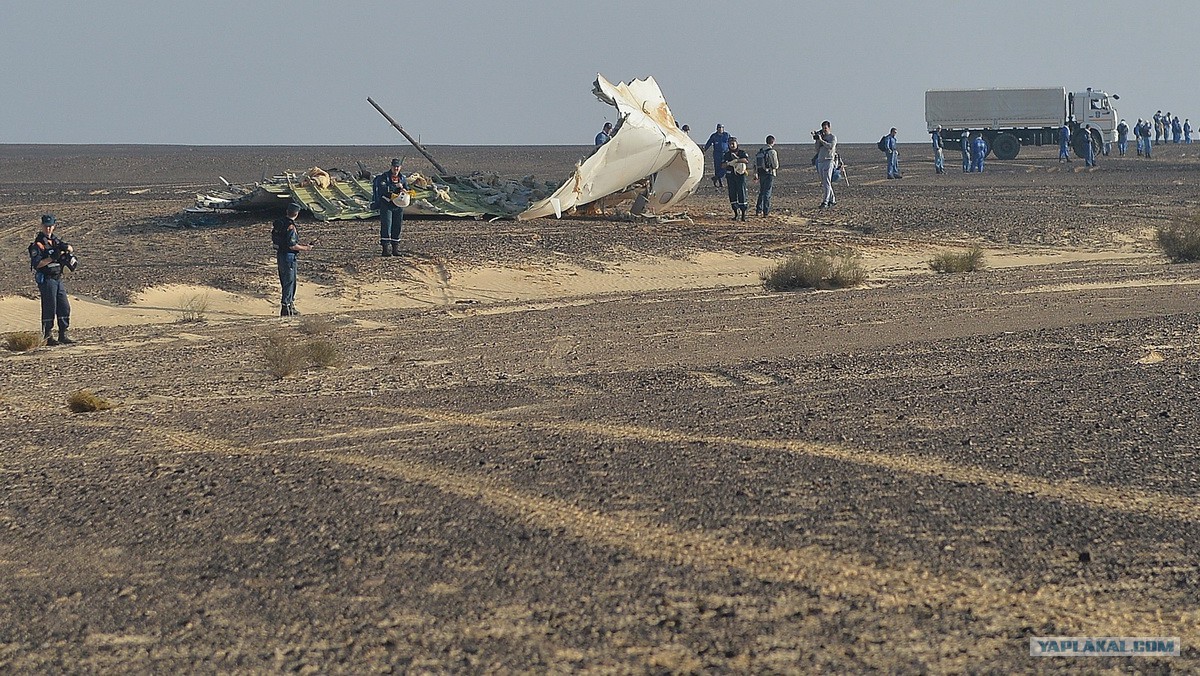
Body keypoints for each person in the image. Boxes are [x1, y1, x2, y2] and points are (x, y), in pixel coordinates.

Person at [28, 214, 75, 345]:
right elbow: (37, 264)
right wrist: (52, 258)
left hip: (57, 278)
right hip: (47, 279)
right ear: (42, 226)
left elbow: (70, 248)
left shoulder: (55, 241)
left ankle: (63, 334)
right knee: (50, 307)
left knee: (64, 306)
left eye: (50, 226)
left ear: (54, 226)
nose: (48, 229)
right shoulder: (38, 244)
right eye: (46, 226)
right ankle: (48, 336)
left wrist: (67, 249)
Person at [272, 203, 314, 317]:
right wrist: (306, 248)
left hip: (280, 254)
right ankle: (287, 307)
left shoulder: (279, 223)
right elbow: (292, 245)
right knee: (290, 282)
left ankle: (288, 305)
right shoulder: (290, 226)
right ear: (296, 213)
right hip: (289, 256)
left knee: (285, 281)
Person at [371, 158, 409, 257]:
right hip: (387, 205)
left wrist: (405, 190)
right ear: (391, 166)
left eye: (398, 167)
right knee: (386, 225)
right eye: (394, 166)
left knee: (397, 226)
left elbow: (407, 188)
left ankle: (395, 249)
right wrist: (396, 186)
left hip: (398, 205)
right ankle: (385, 249)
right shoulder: (384, 177)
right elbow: (383, 189)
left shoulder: (403, 178)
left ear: (400, 167)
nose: (396, 168)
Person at [722, 137, 751, 221]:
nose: (732, 145)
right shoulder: (727, 155)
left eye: (733, 143)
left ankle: (743, 214)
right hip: (730, 176)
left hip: (740, 176)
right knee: (732, 194)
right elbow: (722, 165)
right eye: (730, 144)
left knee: (742, 193)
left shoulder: (741, 153)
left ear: (736, 144)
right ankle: (735, 213)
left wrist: (736, 160)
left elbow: (745, 160)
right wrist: (729, 163)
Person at [753, 135, 779, 217]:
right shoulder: (772, 152)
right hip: (769, 173)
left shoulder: (760, 151)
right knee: (767, 192)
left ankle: (758, 209)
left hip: (761, 173)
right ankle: (766, 211)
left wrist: (756, 173)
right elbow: (775, 165)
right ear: (773, 142)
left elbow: (755, 164)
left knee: (762, 191)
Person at [814, 121, 837, 208]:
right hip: (820, 160)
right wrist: (817, 140)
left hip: (828, 160)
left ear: (829, 128)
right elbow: (817, 149)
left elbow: (830, 146)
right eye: (823, 128)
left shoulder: (832, 137)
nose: (824, 130)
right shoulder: (821, 137)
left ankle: (825, 201)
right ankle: (832, 200)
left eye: (825, 128)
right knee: (824, 182)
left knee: (827, 181)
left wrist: (821, 140)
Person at [701, 123, 731, 188]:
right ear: (717, 129)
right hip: (717, 154)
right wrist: (704, 150)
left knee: (725, 167)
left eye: (721, 128)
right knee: (717, 168)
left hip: (725, 153)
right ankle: (719, 182)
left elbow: (730, 142)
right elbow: (709, 143)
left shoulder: (727, 135)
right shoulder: (714, 136)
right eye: (719, 128)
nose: (720, 129)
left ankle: (716, 177)